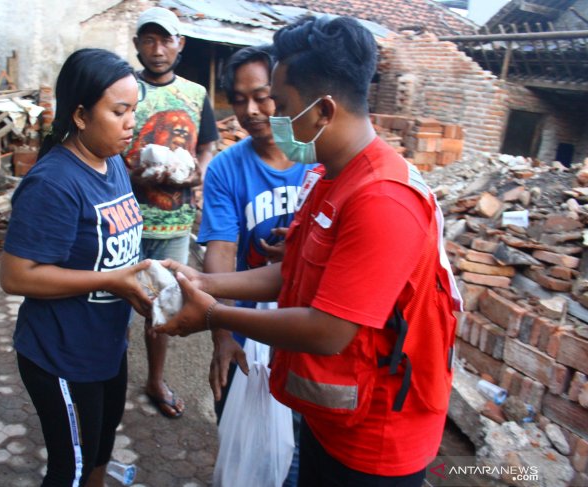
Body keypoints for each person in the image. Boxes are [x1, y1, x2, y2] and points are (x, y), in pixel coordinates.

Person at [157, 15, 463, 487]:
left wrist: (215, 315)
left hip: (376, 439)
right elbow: (289, 273)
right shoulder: (329, 175)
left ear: (322, 111)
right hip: (332, 413)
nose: (266, 117)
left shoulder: (384, 200)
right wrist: (201, 282)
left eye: (280, 105)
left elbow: (327, 330)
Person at [0, 48, 152, 487]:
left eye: (133, 111)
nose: (130, 123)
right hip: (60, 354)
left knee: (102, 443)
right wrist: (113, 281)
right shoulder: (54, 183)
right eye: (118, 111)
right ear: (81, 116)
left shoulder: (113, 162)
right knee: (71, 467)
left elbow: (116, 248)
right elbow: (15, 276)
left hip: (105, 342)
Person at [197, 44, 314, 486]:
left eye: (263, 96)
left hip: (310, 330)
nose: (251, 110)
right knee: (247, 451)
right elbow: (221, 252)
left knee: (300, 454)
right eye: (239, 99)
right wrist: (221, 332)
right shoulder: (228, 168)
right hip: (249, 337)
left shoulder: (318, 158)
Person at [123, 6, 219, 419]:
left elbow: (208, 144)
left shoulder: (196, 95)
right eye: (148, 39)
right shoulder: (125, 89)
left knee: (163, 303)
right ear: (137, 46)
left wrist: (198, 174)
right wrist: (132, 172)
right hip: (123, 219)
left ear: (180, 45)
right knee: (111, 299)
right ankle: (102, 375)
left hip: (175, 222)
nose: (157, 49)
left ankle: (154, 378)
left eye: (165, 40)